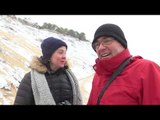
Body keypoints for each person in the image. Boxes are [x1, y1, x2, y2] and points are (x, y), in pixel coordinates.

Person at [87, 23, 160, 105]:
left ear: (122, 43)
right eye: (97, 44)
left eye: (107, 41)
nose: (100, 48)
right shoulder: (99, 75)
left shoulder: (146, 69)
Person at [14, 37, 83, 105]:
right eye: (60, 52)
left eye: (65, 53)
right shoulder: (30, 78)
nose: (64, 56)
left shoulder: (69, 77)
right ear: (49, 55)